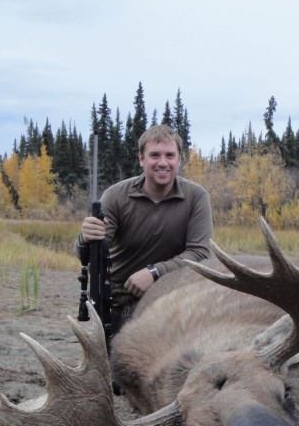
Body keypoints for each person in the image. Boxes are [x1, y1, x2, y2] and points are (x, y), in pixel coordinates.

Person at [75, 124, 213, 330]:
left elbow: (200, 254)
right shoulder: (116, 196)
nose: (163, 163)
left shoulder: (196, 197)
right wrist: (86, 237)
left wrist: (155, 273)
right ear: (141, 159)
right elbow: (88, 255)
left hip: (176, 297)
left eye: (170, 155)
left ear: (179, 159)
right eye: (154, 155)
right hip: (122, 298)